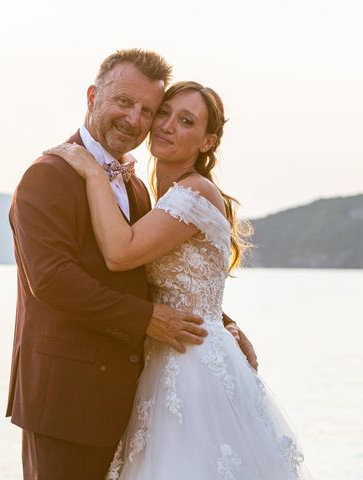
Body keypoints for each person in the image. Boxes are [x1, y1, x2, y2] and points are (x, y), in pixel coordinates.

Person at [7, 49, 256, 480]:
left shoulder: (138, 188)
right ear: (92, 96)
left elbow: (152, 275)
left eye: (147, 109)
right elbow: (51, 281)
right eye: (124, 102)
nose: (135, 119)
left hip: (133, 401)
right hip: (66, 401)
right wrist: (149, 320)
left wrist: (220, 322)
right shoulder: (49, 174)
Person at [45, 80, 311, 479]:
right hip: (171, 357)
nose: (166, 125)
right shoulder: (160, 196)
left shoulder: (195, 193)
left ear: (207, 142)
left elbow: (121, 254)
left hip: (192, 368)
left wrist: (90, 171)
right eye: (163, 113)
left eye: (185, 120)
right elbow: (179, 287)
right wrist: (226, 321)